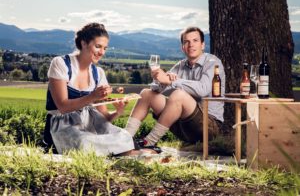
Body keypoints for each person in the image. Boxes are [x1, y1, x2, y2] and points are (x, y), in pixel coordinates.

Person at [43, 23, 136, 156]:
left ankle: (112, 153)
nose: (102, 52)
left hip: (90, 124)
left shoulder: (98, 73)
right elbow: (63, 106)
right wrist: (93, 96)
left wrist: (117, 111)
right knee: (84, 141)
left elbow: (104, 117)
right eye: (98, 46)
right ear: (84, 43)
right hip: (62, 125)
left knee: (124, 136)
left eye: (105, 48)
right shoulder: (61, 63)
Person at [125, 27, 225, 147]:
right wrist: (159, 79)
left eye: (195, 41)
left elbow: (203, 89)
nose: (190, 45)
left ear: (202, 45)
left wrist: (173, 81)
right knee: (146, 94)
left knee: (179, 94)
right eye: (186, 42)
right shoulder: (181, 65)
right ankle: (125, 139)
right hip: (183, 125)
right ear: (182, 47)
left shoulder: (213, 62)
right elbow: (155, 89)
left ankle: (149, 141)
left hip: (208, 126)